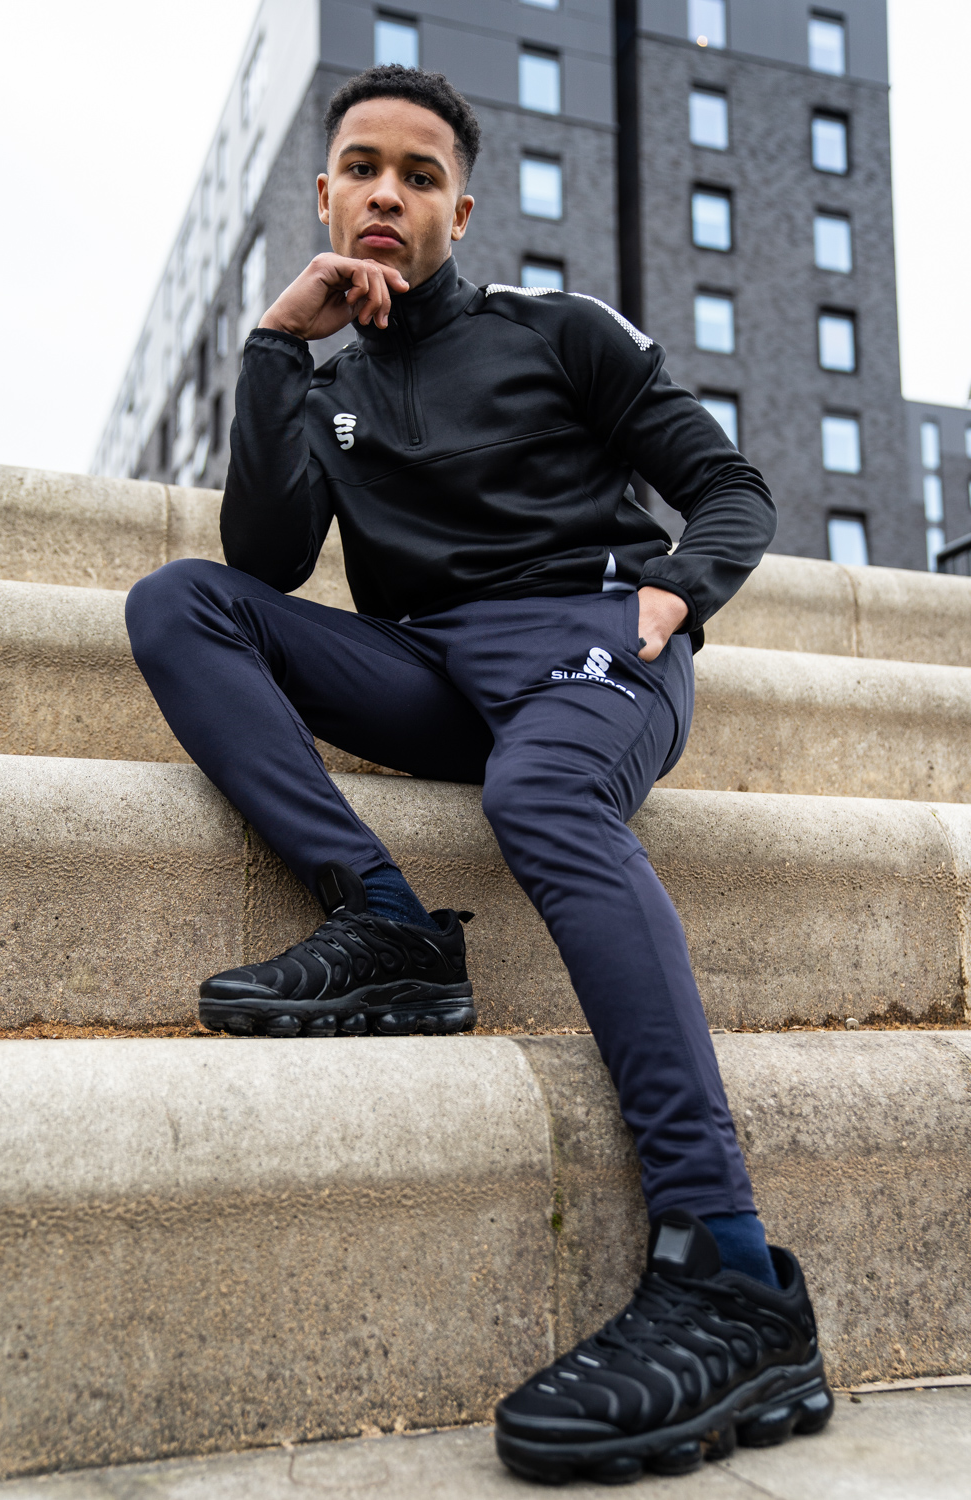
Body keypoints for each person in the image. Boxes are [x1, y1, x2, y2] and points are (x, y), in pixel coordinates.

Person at [126, 63, 833, 1486]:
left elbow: (731, 488)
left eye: (421, 174)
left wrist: (677, 592)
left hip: (591, 644)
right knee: (180, 601)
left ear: (461, 208)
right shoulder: (325, 389)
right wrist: (275, 345)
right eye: (362, 168)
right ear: (326, 196)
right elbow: (264, 560)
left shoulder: (558, 332)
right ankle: (388, 921)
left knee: (541, 798)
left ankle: (733, 1273)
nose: (388, 192)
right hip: (432, 671)